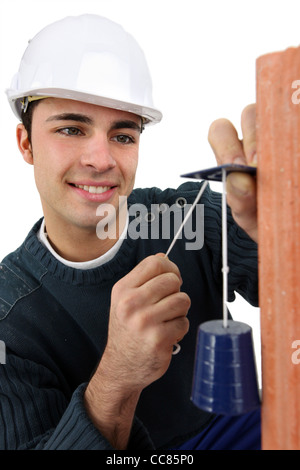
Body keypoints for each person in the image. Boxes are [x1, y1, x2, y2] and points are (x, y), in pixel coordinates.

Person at [0, 14, 259, 450]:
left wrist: (281, 231)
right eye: (71, 129)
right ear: (26, 143)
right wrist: (117, 378)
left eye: (122, 136)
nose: (101, 160)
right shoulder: (9, 317)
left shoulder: (191, 215)